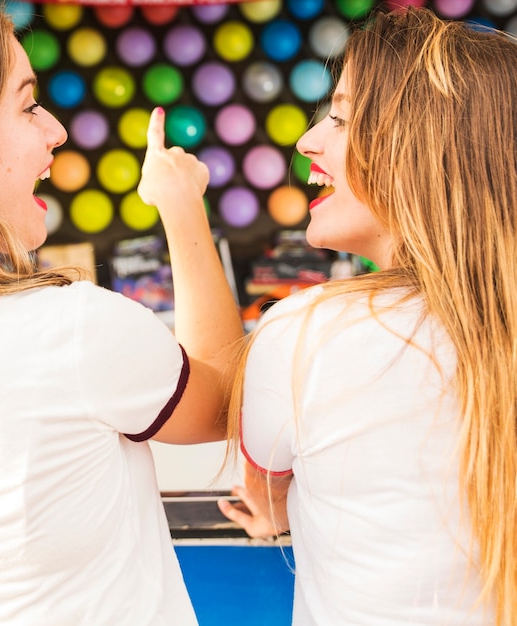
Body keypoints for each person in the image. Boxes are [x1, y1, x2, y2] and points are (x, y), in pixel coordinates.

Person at [0, 1, 243, 624]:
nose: (56, 129)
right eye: (27, 106)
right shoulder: (73, 330)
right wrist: (181, 206)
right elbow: (226, 401)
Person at [218, 7, 517, 626]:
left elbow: (264, 492)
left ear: (421, 152)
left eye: (342, 117)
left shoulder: (303, 335)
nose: (308, 141)